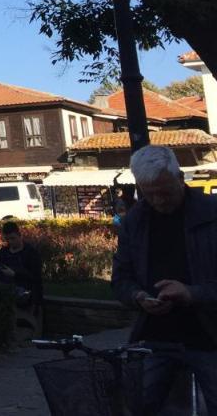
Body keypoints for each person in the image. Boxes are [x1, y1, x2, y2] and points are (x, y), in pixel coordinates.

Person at [112, 145, 217, 412]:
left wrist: (191, 293)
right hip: (155, 336)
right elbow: (121, 279)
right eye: (150, 194)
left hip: (209, 335)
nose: (159, 201)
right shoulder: (134, 221)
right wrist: (138, 297)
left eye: (165, 192)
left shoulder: (212, 215)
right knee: (138, 406)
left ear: (180, 178)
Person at [0, 221, 42, 305]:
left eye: (13, 238)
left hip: (25, 288)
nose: (10, 242)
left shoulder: (31, 252)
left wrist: (15, 274)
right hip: (5, 285)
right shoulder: (4, 251)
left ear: (19, 235)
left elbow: (35, 276)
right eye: (7, 239)